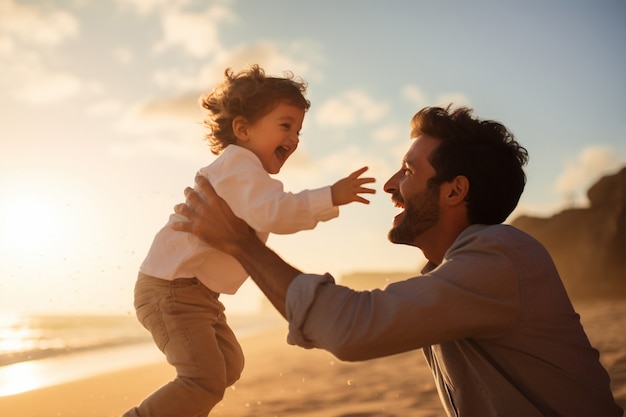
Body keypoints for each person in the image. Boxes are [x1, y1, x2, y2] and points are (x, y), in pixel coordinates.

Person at [171, 105, 623, 417]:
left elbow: (351, 328)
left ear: (454, 191)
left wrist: (240, 242)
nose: (390, 185)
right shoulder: (460, 271)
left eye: (408, 171)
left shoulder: (500, 257)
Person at [123, 65, 376, 417]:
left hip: (197, 293)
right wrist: (329, 196)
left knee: (230, 366)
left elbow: (270, 210)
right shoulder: (239, 166)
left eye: (299, 130)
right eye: (285, 125)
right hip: (172, 290)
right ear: (242, 128)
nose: (294, 138)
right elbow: (274, 213)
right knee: (203, 379)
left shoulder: (246, 173)